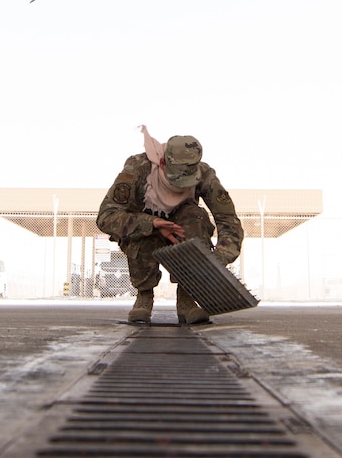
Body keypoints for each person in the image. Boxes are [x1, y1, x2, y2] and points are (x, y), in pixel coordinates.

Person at [96, 127, 243, 325]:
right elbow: (106, 216)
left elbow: (228, 219)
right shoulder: (138, 169)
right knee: (143, 232)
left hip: (182, 228)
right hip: (146, 228)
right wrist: (151, 223)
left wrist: (217, 259)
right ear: (163, 162)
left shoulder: (204, 174)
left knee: (195, 218)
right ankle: (144, 295)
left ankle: (186, 299)